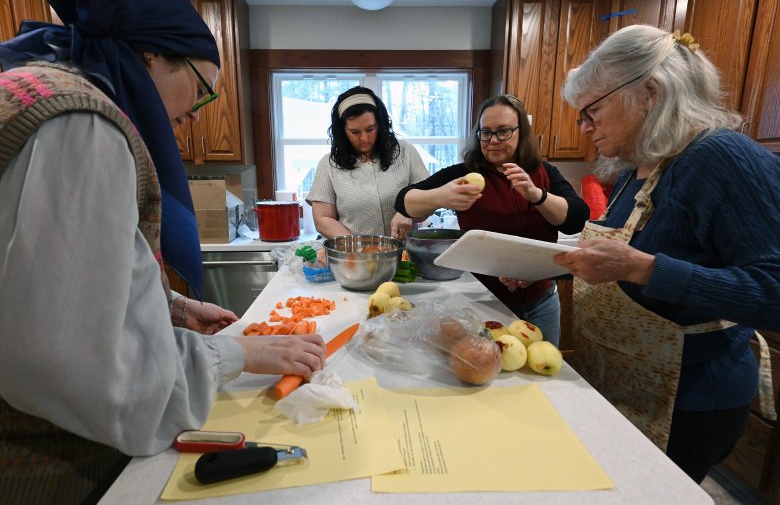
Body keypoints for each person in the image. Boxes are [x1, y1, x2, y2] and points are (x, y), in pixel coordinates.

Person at [0, 0, 325, 502]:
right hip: (40, 463)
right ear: (151, 54)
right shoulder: (83, 127)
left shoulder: (43, 90)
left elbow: (42, 278)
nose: (193, 116)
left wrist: (166, 304)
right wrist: (230, 354)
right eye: (199, 90)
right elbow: (73, 364)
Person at [553, 25, 779, 483]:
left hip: (687, 398)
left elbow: (773, 291)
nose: (585, 126)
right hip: (625, 381)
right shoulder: (636, 169)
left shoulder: (721, 157)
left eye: (593, 110)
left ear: (650, 93)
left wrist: (645, 269)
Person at [395, 95, 589, 346]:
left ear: (521, 132)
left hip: (542, 303)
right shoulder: (465, 174)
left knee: (545, 368)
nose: (493, 140)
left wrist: (537, 195)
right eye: (485, 132)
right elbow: (404, 201)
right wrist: (441, 196)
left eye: (503, 131)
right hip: (485, 302)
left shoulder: (543, 173)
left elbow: (576, 219)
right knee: (488, 366)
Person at [306, 86, 430, 240]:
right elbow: (323, 219)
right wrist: (356, 246)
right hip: (352, 253)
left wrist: (408, 214)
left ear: (380, 124)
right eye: (355, 132)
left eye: (370, 129)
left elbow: (429, 198)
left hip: (405, 252)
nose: (364, 138)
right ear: (342, 131)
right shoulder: (328, 165)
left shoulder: (406, 153)